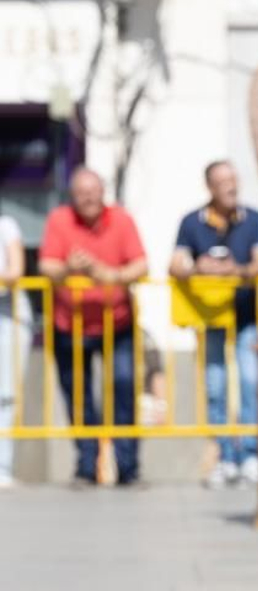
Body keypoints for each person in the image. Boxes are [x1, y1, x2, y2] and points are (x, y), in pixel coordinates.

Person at [38, 168, 148, 487]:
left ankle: (128, 468)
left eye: (93, 191)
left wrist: (106, 274)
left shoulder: (122, 220)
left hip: (118, 323)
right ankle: (87, 468)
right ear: (72, 196)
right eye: (81, 192)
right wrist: (69, 269)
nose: (88, 197)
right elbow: (46, 265)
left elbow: (141, 264)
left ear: (103, 192)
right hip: (69, 325)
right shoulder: (59, 220)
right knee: (78, 397)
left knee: (124, 391)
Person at [171, 160, 258, 488]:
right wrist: (198, 267)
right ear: (210, 187)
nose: (231, 186)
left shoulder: (253, 219)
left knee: (250, 382)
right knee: (215, 387)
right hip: (210, 316)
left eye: (234, 179)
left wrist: (234, 271)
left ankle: (250, 455)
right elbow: (176, 264)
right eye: (223, 181)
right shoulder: (192, 222)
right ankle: (225, 456)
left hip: (244, 315)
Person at [0, 212, 31, 488]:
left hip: (9, 317)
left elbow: (15, 270)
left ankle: (3, 467)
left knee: (5, 395)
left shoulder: (6, 224)